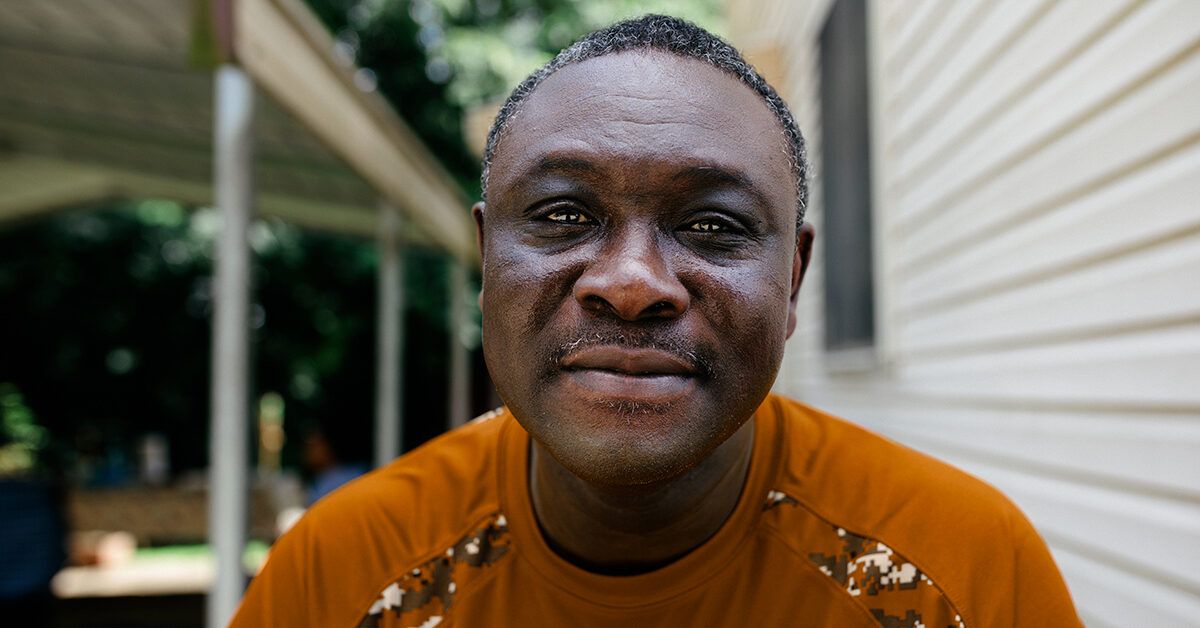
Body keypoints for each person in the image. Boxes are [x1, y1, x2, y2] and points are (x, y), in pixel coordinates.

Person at [232, 15, 1080, 627]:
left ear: (793, 279)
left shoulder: (962, 575)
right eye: (564, 215)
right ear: (486, 261)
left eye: (713, 225)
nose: (631, 285)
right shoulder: (341, 577)